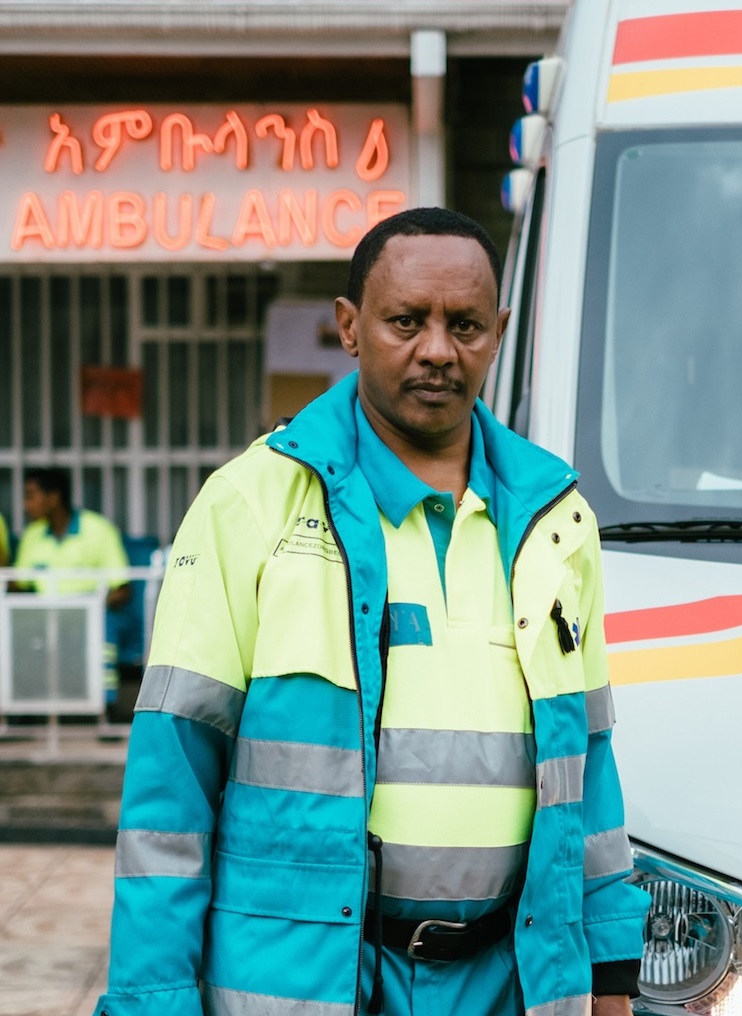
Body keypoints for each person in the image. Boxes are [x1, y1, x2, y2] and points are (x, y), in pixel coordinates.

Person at [94, 207, 648, 1016]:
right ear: (349, 328)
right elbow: (167, 798)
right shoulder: (250, 505)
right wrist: (154, 1003)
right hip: (305, 985)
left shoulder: (557, 523)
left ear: (498, 332)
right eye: (405, 321)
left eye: (463, 325)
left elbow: (588, 774)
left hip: (513, 981)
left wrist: (608, 981)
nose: (435, 349)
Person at [13, 467, 131, 703]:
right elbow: (17, 584)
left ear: (54, 497)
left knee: (105, 628)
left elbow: (122, 590)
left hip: (92, 614)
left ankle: (104, 706)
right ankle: (23, 706)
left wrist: (87, 608)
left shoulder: (98, 529)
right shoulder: (32, 535)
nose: (26, 504)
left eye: (31, 495)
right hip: (43, 615)